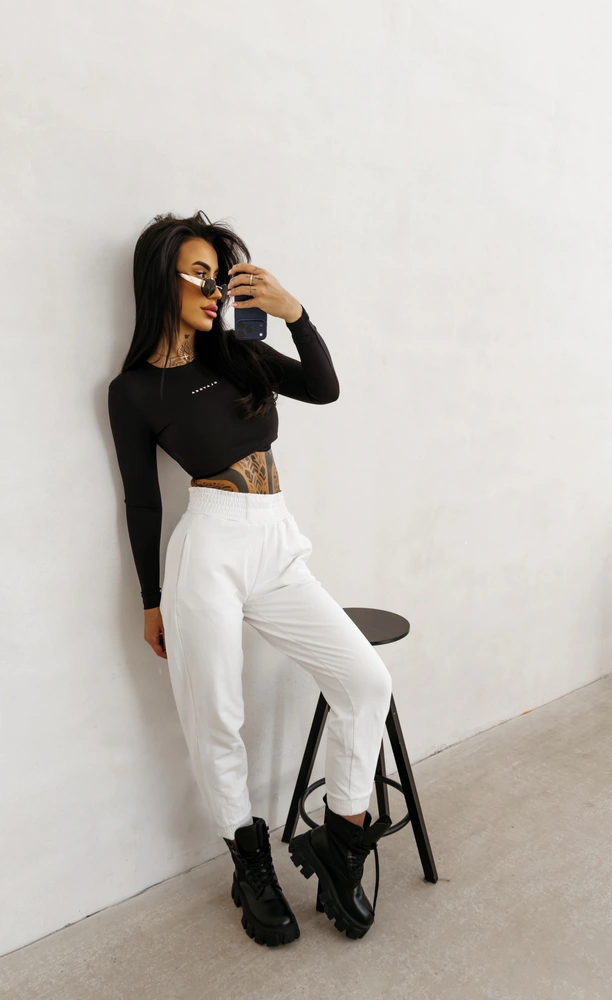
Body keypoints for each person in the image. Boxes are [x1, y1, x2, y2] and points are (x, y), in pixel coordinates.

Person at [107, 210, 393, 946]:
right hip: (207, 549)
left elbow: (324, 388)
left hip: (276, 541)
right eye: (200, 275)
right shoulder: (134, 390)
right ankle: (250, 865)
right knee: (217, 717)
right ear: (161, 279)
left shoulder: (239, 353)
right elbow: (142, 500)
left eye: (220, 276)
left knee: (364, 682)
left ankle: (341, 841)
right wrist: (150, 599)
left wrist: (294, 314)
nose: (214, 290)